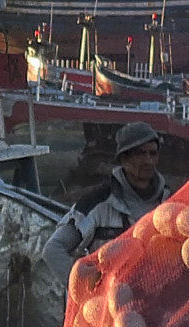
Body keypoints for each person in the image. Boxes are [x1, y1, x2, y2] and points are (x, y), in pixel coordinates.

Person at [40, 121, 166, 285]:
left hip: (155, 305)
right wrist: (83, 289)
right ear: (123, 158)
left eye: (153, 153)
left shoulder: (168, 202)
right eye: (140, 154)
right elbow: (53, 250)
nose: (148, 161)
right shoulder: (97, 204)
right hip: (108, 305)